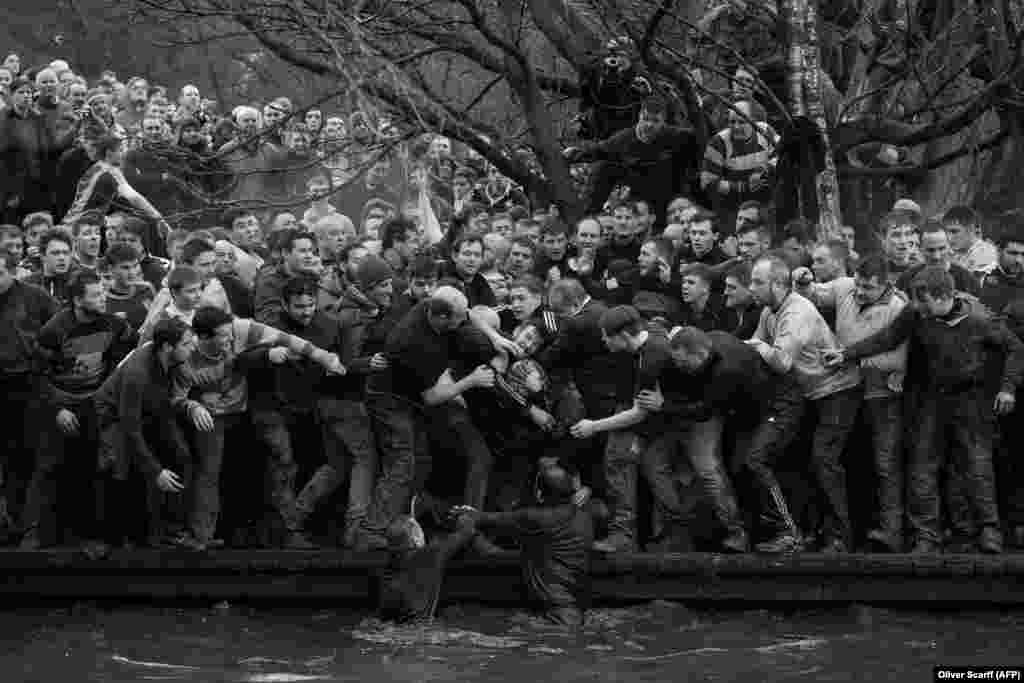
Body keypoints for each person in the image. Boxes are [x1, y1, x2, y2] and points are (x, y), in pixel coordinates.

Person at [826, 266, 1024, 554]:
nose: (917, 308)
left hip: (969, 397)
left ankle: (987, 529)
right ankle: (926, 535)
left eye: (924, 301)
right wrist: (846, 354)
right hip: (931, 395)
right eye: (916, 302)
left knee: (975, 464)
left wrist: (1008, 387)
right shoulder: (916, 313)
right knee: (923, 465)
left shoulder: (979, 318)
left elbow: (1016, 348)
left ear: (944, 296)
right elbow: (887, 338)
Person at [170, 306, 346, 549]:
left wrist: (324, 357)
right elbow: (176, 397)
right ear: (204, 337)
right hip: (211, 416)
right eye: (223, 335)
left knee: (263, 465)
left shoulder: (240, 329)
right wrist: (193, 407)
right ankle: (201, 536)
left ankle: (272, 532)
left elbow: (287, 339)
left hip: (243, 409)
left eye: (230, 332)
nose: (230, 338)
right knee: (208, 472)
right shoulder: (187, 358)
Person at [22, 271, 137, 550]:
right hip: (60, 401)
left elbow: (127, 350)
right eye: (96, 295)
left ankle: (92, 534)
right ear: (77, 300)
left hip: (94, 401)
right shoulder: (55, 330)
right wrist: (58, 409)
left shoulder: (112, 324)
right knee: (49, 466)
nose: (102, 298)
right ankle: (35, 532)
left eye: (102, 292)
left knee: (94, 467)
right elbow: (36, 376)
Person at [457, 459, 594, 625]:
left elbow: (484, 519)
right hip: (575, 611)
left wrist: (464, 518)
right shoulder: (585, 514)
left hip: (557, 616)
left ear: (539, 494)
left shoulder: (537, 518)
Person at [378, 498, 480, 624]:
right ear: (415, 540)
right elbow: (466, 532)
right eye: (419, 531)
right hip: (420, 632)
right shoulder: (429, 556)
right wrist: (465, 515)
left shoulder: (388, 570)